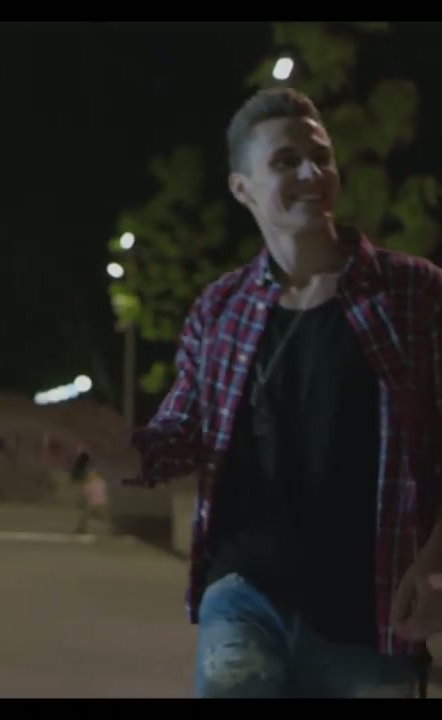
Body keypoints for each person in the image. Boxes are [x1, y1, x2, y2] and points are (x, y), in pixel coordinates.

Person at [97, 87, 442, 698]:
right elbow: (178, 438)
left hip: (374, 614)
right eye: (286, 161)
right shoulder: (221, 308)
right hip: (246, 596)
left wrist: (435, 565)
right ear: (243, 189)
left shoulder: (414, 294)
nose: (312, 173)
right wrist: (95, 447)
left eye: (321, 156)